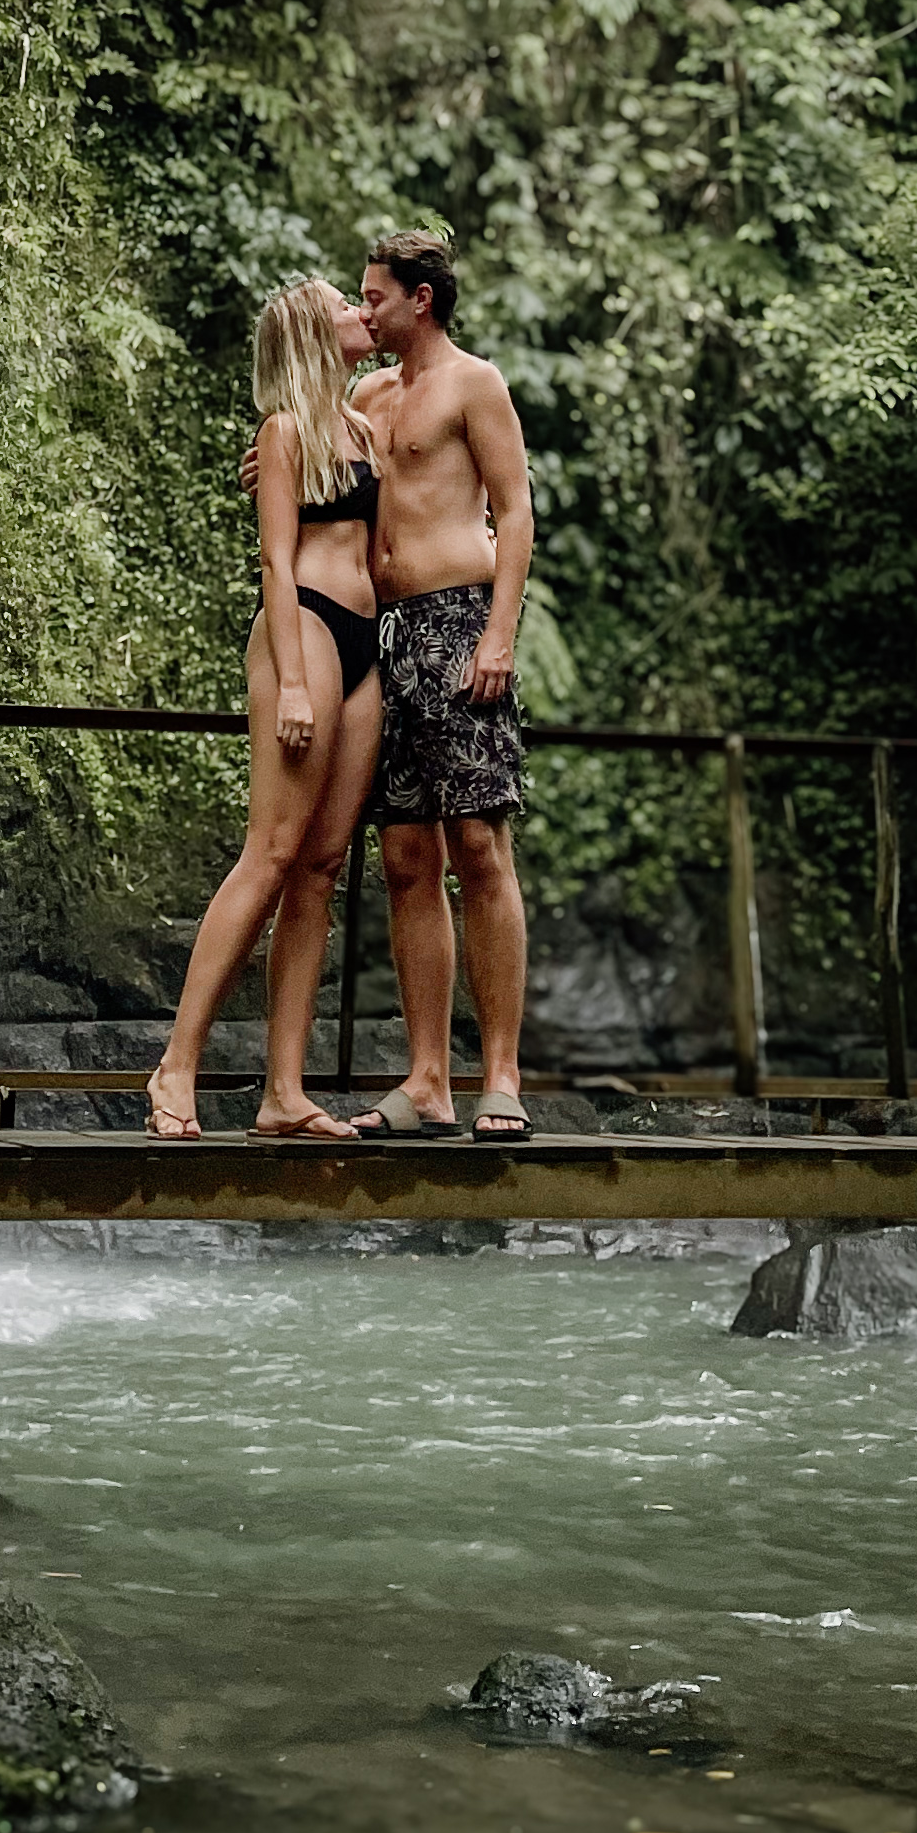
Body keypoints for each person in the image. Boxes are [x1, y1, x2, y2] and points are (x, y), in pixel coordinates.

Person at [144, 279, 384, 1143]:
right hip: (307, 632)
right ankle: (176, 1065)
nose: (363, 314)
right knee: (272, 851)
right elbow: (277, 565)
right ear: (314, 332)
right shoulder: (281, 434)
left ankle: (285, 1092)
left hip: (366, 646)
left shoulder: (361, 426)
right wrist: (288, 677)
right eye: (346, 306)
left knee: (321, 866)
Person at [344, 227, 537, 1145]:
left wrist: (498, 633)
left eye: (374, 295)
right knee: (406, 858)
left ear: (420, 297)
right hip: (381, 636)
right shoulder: (367, 395)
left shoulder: (475, 384)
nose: (363, 309)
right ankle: (428, 1079)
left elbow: (517, 509)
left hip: (460, 624)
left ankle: (499, 1072)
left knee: (479, 846)